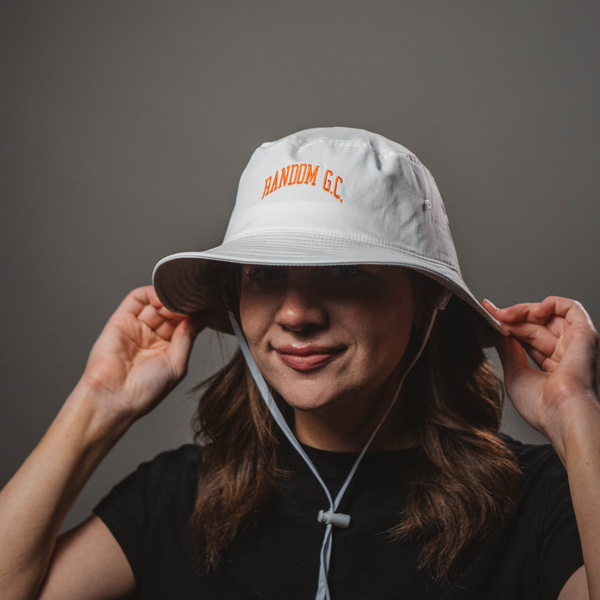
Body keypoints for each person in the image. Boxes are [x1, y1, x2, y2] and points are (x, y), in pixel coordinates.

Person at [0, 127, 598, 600]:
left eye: (344, 272)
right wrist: (99, 400)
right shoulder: (178, 496)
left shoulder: (538, 502)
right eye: (264, 274)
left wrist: (576, 414)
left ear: (425, 301)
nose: (295, 313)